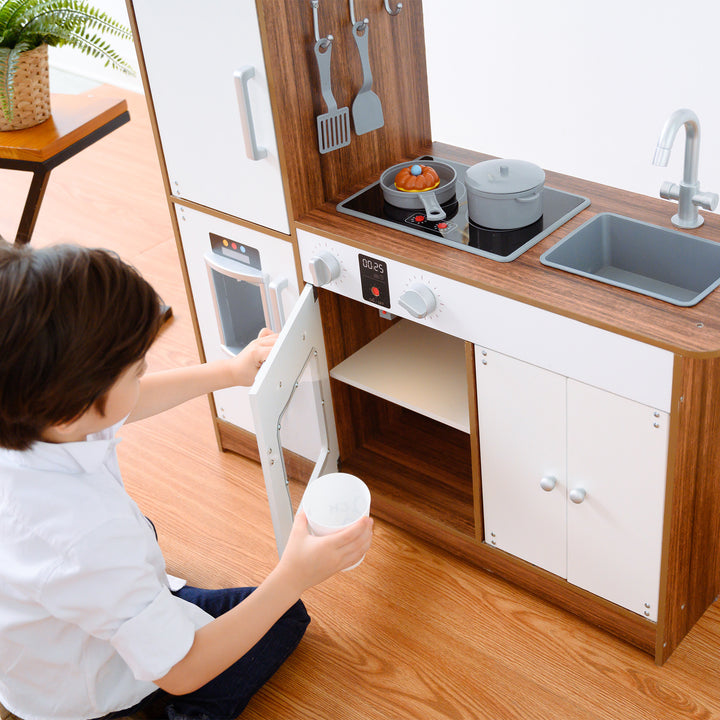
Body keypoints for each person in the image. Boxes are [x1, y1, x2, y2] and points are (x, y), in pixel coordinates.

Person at [0, 241, 373, 720]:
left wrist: (230, 371)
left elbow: (125, 404)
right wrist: (295, 574)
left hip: (40, 656)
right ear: (74, 408)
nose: (144, 375)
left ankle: (157, 615)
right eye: (136, 370)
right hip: (91, 693)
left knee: (258, 615)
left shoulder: (32, 410)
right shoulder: (87, 536)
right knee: (283, 615)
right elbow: (181, 671)